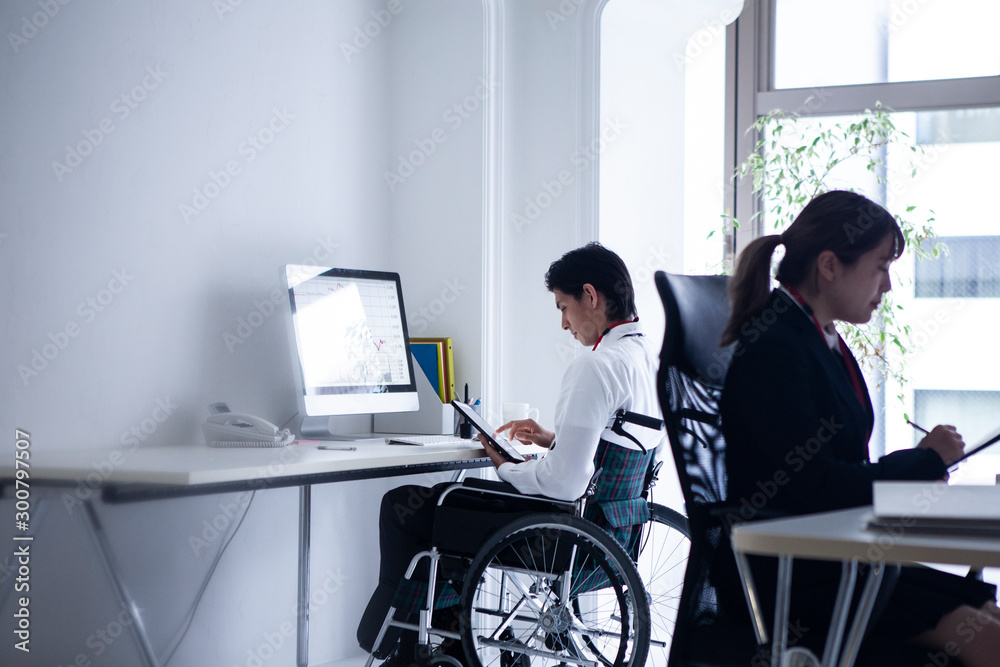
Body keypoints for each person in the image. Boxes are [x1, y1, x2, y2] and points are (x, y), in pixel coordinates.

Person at [717, 190, 1000, 663]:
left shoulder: (817, 336)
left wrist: (926, 464)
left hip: (834, 559)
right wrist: (926, 460)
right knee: (987, 636)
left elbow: (840, 469)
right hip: (794, 576)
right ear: (829, 266)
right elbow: (818, 484)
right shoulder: (774, 346)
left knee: (987, 612)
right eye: (880, 267)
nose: (886, 285)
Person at [356, 243, 664, 664]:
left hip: (562, 542)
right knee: (449, 507)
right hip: (617, 536)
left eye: (563, 307)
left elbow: (565, 483)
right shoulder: (648, 358)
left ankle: (395, 639)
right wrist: (552, 441)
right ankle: (449, 641)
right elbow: (615, 448)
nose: (563, 324)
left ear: (590, 297)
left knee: (407, 506)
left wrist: (507, 467)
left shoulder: (595, 366)